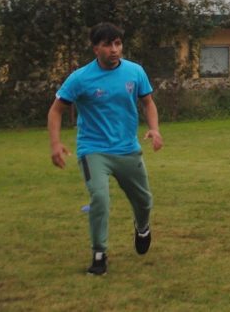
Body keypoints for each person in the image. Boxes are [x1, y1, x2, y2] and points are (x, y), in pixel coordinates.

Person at [47, 22, 164, 276]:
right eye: (108, 44)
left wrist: (154, 129)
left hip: (127, 150)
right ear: (95, 48)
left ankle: (142, 227)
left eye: (118, 43)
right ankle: (99, 254)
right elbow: (56, 110)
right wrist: (55, 144)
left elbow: (148, 103)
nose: (114, 49)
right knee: (100, 198)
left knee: (144, 201)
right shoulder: (80, 78)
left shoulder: (135, 72)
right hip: (93, 150)